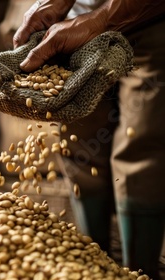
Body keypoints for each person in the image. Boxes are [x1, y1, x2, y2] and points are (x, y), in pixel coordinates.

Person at [13, 0, 165, 278]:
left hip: (150, 18)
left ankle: (141, 271)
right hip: (75, 25)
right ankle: (93, 266)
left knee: (141, 142)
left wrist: (103, 19)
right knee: (79, 142)